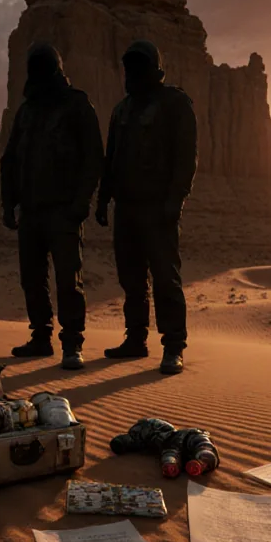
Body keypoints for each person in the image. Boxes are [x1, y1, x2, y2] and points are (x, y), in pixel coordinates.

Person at [95, 40, 198, 374]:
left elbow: (186, 156)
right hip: (126, 207)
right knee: (132, 279)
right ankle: (136, 339)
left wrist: (176, 199)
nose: (132, 72)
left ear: (154, 67)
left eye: (139, 65)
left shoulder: (174, 103)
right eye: (129, 66)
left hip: (158, 207)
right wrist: (103, 198)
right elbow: (112, 157)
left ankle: (173, 346)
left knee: (166, 278)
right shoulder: (121, 110)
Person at [0, 42, 103, 370]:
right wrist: (8, 203)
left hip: (63, 210)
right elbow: (10, 159)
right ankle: (40, 337)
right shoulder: (26, 111)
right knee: (32, 279)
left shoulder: (76, 105)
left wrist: (81, 202)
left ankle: (72, 343)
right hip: (31, 210)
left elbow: (93, 157)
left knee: (68, 280)